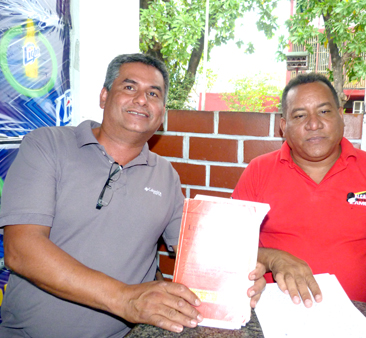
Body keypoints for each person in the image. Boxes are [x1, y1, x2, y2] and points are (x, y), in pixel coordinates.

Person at [0, 53, 264, 337]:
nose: (142, 99)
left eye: (153, 93)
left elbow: (203, 254)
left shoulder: (165, 176)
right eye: (129, 87)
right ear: (104, 96)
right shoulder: (47, 146)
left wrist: (243, 276)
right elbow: (21, 250)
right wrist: (125, 299)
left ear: (162, 112)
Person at [232, 73, 366, 319]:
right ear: (284, 127)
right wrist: (273, 258)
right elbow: (228, 248)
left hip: (353, 318)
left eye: (324, 112)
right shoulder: (258, 172)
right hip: (270, 315)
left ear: (340, 116)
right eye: (300, 115)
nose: (313, 124)